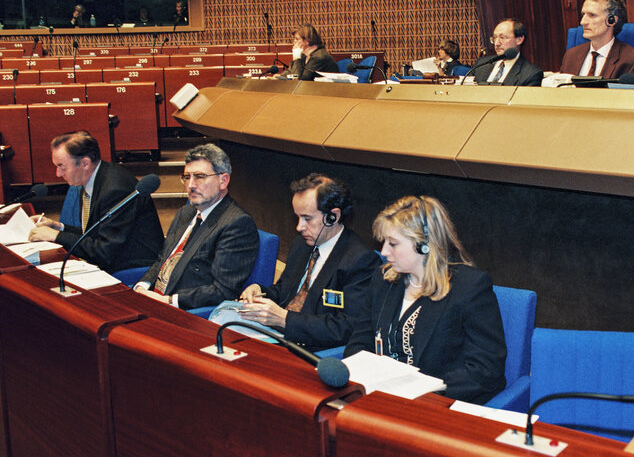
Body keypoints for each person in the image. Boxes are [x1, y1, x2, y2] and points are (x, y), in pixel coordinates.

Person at [344, 195, 506, 404]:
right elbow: (358, 343)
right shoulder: (382, 279)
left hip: (434, 403)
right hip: (380, 398)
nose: (384, 252)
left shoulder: (470, 288)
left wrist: (425, 390)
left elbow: (485, 369)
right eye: (384, 242)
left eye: (393, 244)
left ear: (424, 246)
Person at [239, 173, 380, 349]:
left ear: (332, 217)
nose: (299, 227)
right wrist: (260, 291)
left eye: (307, 218)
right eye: (297, 217)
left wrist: (284, 319)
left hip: (311, 349)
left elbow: (346, 327)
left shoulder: (360, 260)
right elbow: (284, 291)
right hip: (274, 337)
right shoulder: (301, 245)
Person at [133, 144, 259, 309]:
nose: (191, 185)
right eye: (187, 177)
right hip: (153, 301)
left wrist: (169, 301)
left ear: (223, 180)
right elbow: (163, 260)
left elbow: (222, 291)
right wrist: (142, 286)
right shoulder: (185, 213)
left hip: (182, 312)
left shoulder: (236, 224)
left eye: (199, 176)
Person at [29, 131, 163, 273]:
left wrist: (56, 236)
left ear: (85, 163)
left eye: (62, 167)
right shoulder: (92, 178)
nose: (58, 174)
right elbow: (94, 233)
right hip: (114, 258)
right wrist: (59, 227)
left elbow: (104, 252)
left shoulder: (115, 190)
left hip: (134, 268)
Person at [560, 0, 634, 83]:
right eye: (583, 14)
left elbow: (632, 97)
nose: (583, 22)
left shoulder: (633, 61)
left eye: (592, 15)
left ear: (611, 20)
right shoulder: (571, 56)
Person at [472, 18, 543, 86]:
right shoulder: (481, 64)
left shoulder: (530, 74)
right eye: (495, 38)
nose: (497, 43)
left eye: (502, 37)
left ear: (519, 40)